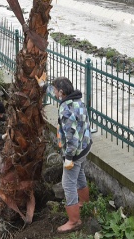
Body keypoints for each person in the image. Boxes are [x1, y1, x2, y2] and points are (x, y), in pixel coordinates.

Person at [50, 77, 92, 233]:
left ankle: (74, 221)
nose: (53, 92)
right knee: (80, 174)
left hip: (75, 151)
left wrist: (69, 157)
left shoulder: (66, 110)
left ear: (61, 92)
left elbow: (72, 138)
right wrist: (42, 85)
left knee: (68, 184)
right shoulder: (77, 101)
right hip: (85, 146)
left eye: (54, 90)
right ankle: (84, 203)